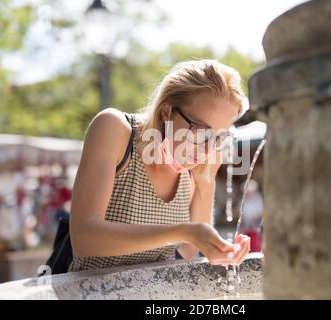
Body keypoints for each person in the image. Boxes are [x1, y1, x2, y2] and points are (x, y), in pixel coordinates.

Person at [68, 59, 251, 272]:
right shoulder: (115, 129)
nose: (208, 149)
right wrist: (185, 231)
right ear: (166, 112)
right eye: (201, 131)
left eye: (220, 136)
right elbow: (84, 239)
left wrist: (204, 184)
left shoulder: (198, 163)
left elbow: (188, 250)